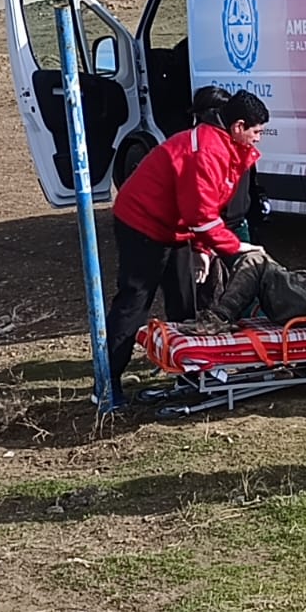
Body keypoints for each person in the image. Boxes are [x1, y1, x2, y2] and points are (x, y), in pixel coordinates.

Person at [103, 86, 268, 403]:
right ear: (238, 127)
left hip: (175, 226)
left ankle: (190, 375)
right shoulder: (206, 153)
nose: (259, 139)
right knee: (136, 299)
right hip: (142, 222)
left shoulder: (227, 149)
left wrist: (202, 252)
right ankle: (108, 381)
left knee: (184, 300)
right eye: (257, 132)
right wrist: (237, 249)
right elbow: (201, 217)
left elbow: (205, 207)